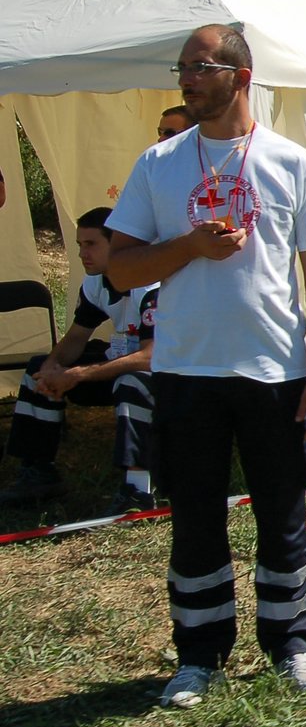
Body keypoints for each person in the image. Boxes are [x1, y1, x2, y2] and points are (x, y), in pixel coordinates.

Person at [106, 24, 306, 708]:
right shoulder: (159, 165)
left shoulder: (291, 163)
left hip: (274, 372)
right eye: (182, 68)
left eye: (199, 67)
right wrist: (187, 248)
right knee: (197, 516)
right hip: (185, 372)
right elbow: (120, 269)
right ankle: (198, 656)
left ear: (239, 76)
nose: (185, 78)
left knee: (283, 513)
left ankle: (293, 643)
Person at [0, 207, 158, 511]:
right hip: (122, 361)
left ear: (119, 245)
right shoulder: (96, 283)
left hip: (170, 373)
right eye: (79, 245)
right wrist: (51, 368)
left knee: (133, 382)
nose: (82, 254)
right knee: (37, 370)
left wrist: (77, 375)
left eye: (91, 244)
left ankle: (138, 490)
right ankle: (38, 472)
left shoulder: (151, 286)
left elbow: (152, 357)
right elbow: (74, 339)